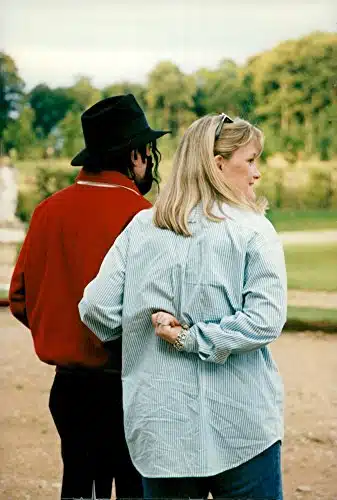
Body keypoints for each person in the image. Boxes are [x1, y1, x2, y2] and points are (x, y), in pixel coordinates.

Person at [79, 113, 287, 500]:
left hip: (161, 428)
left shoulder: (142, 227)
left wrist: (148, 325)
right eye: (252, 159)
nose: (256, 173)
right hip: (242, 428)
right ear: (218, 163)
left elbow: (97, 310)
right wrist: (193, 338)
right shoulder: (254, 228)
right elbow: (265, 320)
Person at [9, 94, 169, 500]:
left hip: (70, 388)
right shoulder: (143, 217)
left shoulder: (47, 210)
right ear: (135, 155)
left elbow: (20, 299)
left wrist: (64, 331)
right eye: (147, 152)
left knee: (77, 488)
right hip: (128, 386)